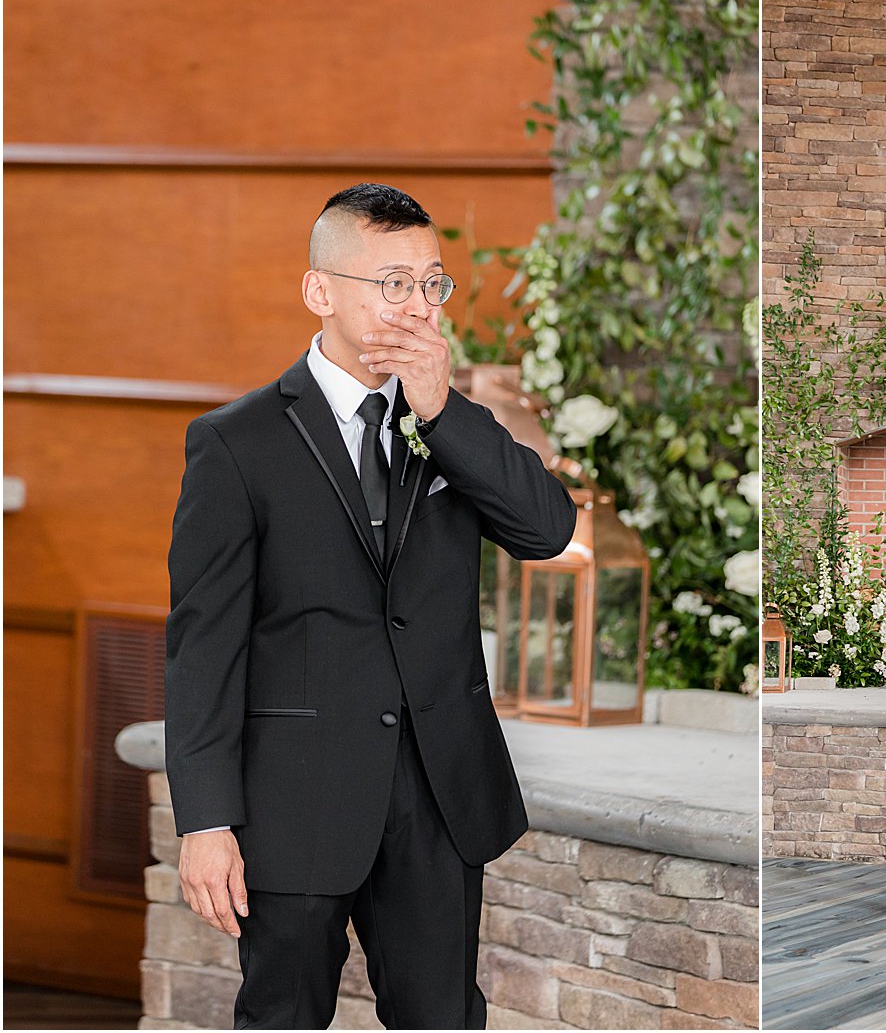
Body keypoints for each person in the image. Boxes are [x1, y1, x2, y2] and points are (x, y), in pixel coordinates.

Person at [164, 183, 577, 1028]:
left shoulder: (454, 431)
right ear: (322, 291)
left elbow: (546, 531)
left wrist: (442, 409)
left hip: (439, 797)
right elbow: (203, 648)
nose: (418, 305)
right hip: (291, 799)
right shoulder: (234, 444)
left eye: (432, 284)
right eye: (393, 282)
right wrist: (205, 821)